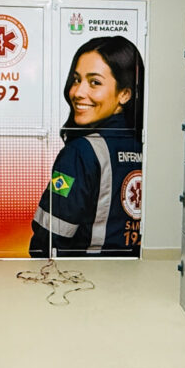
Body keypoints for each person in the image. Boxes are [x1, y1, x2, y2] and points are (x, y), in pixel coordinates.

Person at [30, 35, 146, 257]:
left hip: (85, 271)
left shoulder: (80, 153)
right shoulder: (146, 146)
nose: (77, 92)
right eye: (76, 80)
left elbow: (50, 236)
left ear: (124, 94)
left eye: (95, 82)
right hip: (134, 270)